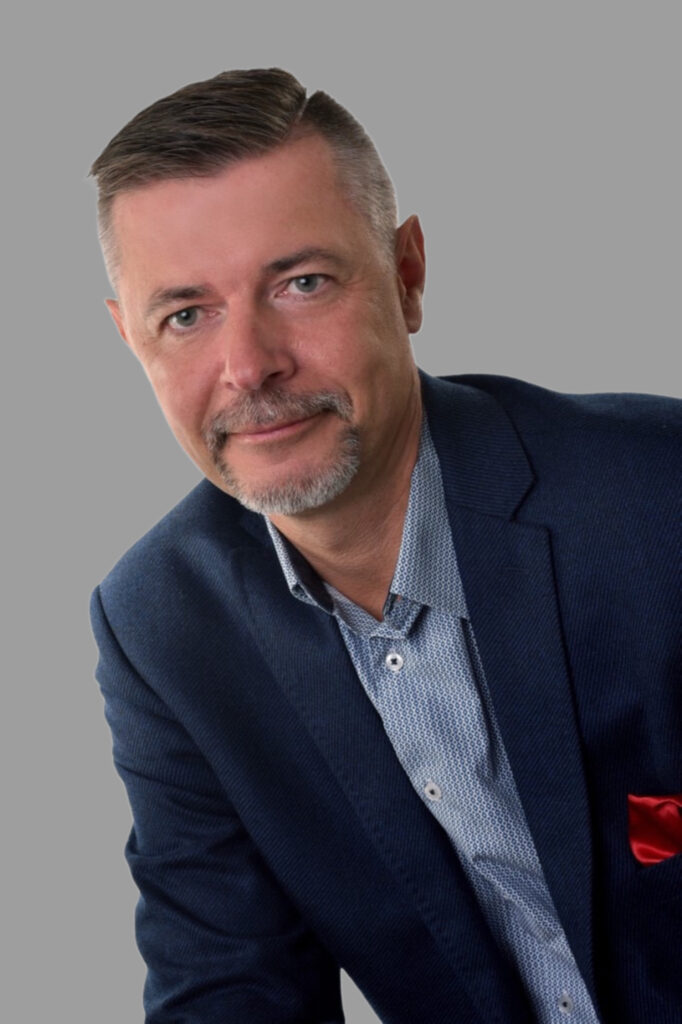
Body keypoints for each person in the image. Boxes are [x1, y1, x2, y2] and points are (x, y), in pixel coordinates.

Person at [89, 68, 681, 1024]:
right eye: (186, 315)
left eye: (302, 283)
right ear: (131, 339)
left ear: (407, 276)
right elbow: (230, 989)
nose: (250, 367)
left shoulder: (658, 493)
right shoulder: (162, 626)